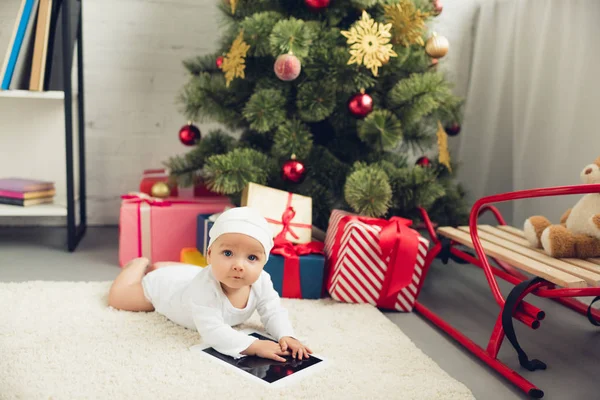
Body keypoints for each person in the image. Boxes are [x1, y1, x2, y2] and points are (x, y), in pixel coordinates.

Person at [108, 206, 312, 362]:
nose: (239, 265)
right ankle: (139, 263)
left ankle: (163, 266)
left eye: (251, 257)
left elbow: (273, 311)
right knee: (118, 299)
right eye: (228, 253)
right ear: (209, 254)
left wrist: (287, 335)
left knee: (188, 274)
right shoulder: (204, 288)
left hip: (188, 275)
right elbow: (213, 331)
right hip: (165, 290)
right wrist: (254, 345)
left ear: (264, 262)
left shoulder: (262, 281)